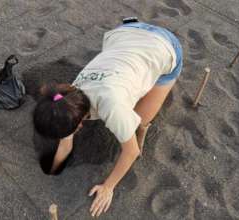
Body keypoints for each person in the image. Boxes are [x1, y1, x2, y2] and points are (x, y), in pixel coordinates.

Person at [33, 18, 183, 217]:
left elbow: (131, 152)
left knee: (140, 120)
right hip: (126, 32)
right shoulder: (67, 96)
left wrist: (108, 187)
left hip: (165, 47)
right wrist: (54, 168)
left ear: (79, 123)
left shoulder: (112, 107)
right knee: (130, 97)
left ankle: (154, 82)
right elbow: (65, 142)